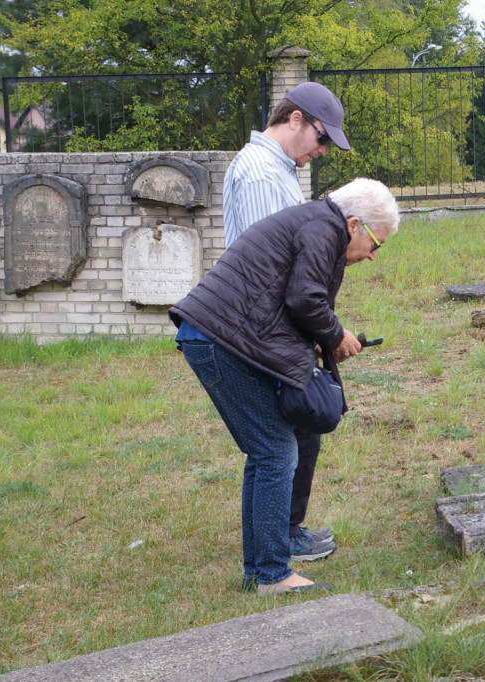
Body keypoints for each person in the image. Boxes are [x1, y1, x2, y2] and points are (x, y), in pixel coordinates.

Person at [170, 178, 399, 595]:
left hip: (212, 337)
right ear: (354, 224)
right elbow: (304, 299)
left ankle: (259, 572)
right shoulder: (323, 229)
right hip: (219, 341)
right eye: (375, 245)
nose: (372, 257)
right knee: (276, 451)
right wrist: (335, 335)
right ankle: (273, 575)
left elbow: (281, 301)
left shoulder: (318, 224)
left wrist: (320, 339)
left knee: (266, 453)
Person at [222, 81, 351, 562]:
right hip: (263, 326)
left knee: (294, 434)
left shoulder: (278, 170)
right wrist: (305, 332)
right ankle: (277, 545)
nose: (321, 151)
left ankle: (284, 532)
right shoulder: (258, 173)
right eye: (321, 139)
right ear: (295, 119)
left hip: (275, 324)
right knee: (282, 441)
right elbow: (268, 271)